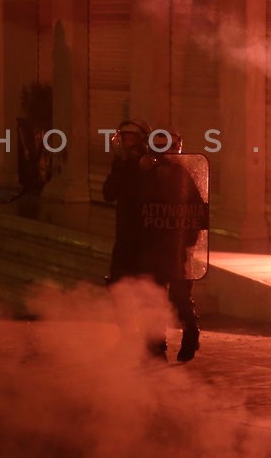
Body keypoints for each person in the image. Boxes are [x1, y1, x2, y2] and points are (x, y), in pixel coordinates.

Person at [103, 120, 202, 362]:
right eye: (123, 139)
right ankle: (155, 345)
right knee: (147, 294)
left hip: (172, 244)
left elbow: (197, 210)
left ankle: (190, 334)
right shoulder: (133, 168)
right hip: (140, 243)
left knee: (177, 296)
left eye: (130, 139)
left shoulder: (178, 172)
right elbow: (110, 193)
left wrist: (188, 240)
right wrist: (127, 167)